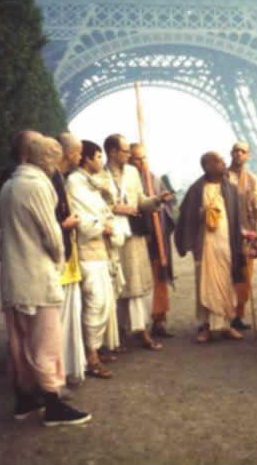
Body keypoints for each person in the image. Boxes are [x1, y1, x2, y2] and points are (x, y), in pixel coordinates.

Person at [0, 131, 91, 426]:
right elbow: (51, 234)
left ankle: (24, 400)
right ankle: (52, 403)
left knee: (19, 342)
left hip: (12, 278)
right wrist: (59, 258)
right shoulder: (37, 186)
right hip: (36, 276)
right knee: (46, 341)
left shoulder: (9, 185)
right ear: (48, 159)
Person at [103, 134, 171, 352]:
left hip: (135, 235)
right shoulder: (100, 175)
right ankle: (118, 333)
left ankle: (143, 330)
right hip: (113, 238)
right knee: (118, 285)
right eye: (125, 151)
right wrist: (114, 208)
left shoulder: (132, 173)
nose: (129, 155)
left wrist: (157, 200)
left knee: (139, 284)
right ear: (112, 152)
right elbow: (95, 206)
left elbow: (141, 201)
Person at [175, 152, 246, 343]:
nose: (223, 163)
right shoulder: (196, 190)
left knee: (226, 283)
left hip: (225, 244)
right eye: (217, 161)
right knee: (204, 284)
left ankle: (225, 325)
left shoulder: (230, 189)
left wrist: (243, 238)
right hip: (204, 244)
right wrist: (202, 213)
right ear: (206, 167)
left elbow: (237, 218)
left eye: (222, 160)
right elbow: (186, 218)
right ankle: (205, 326)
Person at [67, 140, 122, 379]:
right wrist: (105, 226)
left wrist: (108, 224)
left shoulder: (92, 184)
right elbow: (83, 223)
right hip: (88, 253)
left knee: (104, 304)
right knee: (95, 303)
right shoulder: (74, 183)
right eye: (98, 157)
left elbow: (105, 213)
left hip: (103, 251)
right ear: (86, 159)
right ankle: (91, 357)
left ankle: (95, 349)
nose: (101, 161)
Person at [129, 143, 177, 339]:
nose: (141, 163)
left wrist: (164, 201)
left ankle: (159, 320)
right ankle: (142, 325)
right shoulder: (129, 182)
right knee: (141, 281)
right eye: (136, 159)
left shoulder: (155, 179)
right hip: (141, 238)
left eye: (143, 158)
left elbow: (169, 202)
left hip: (159, 238)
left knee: (160, 279)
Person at [52, 132, 86, 386]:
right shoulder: (54, 180)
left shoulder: (59, 179)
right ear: (68, 152)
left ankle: (63, 370)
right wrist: (68, 223)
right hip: (59, 261)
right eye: (78, 151)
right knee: (60, 322)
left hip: (67, 258)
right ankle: (57, 375)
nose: (81, 155)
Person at [226, 141, 257, 331]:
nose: (238, 154)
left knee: (244, 276)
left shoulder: (253, 180)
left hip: (246, 235)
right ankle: (225, 314)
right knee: (226, 276)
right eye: (236, 150)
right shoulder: (222, 177)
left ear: (248, 156)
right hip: (225, 234)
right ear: (231, 153)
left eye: (243, 151)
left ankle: (239, 315)